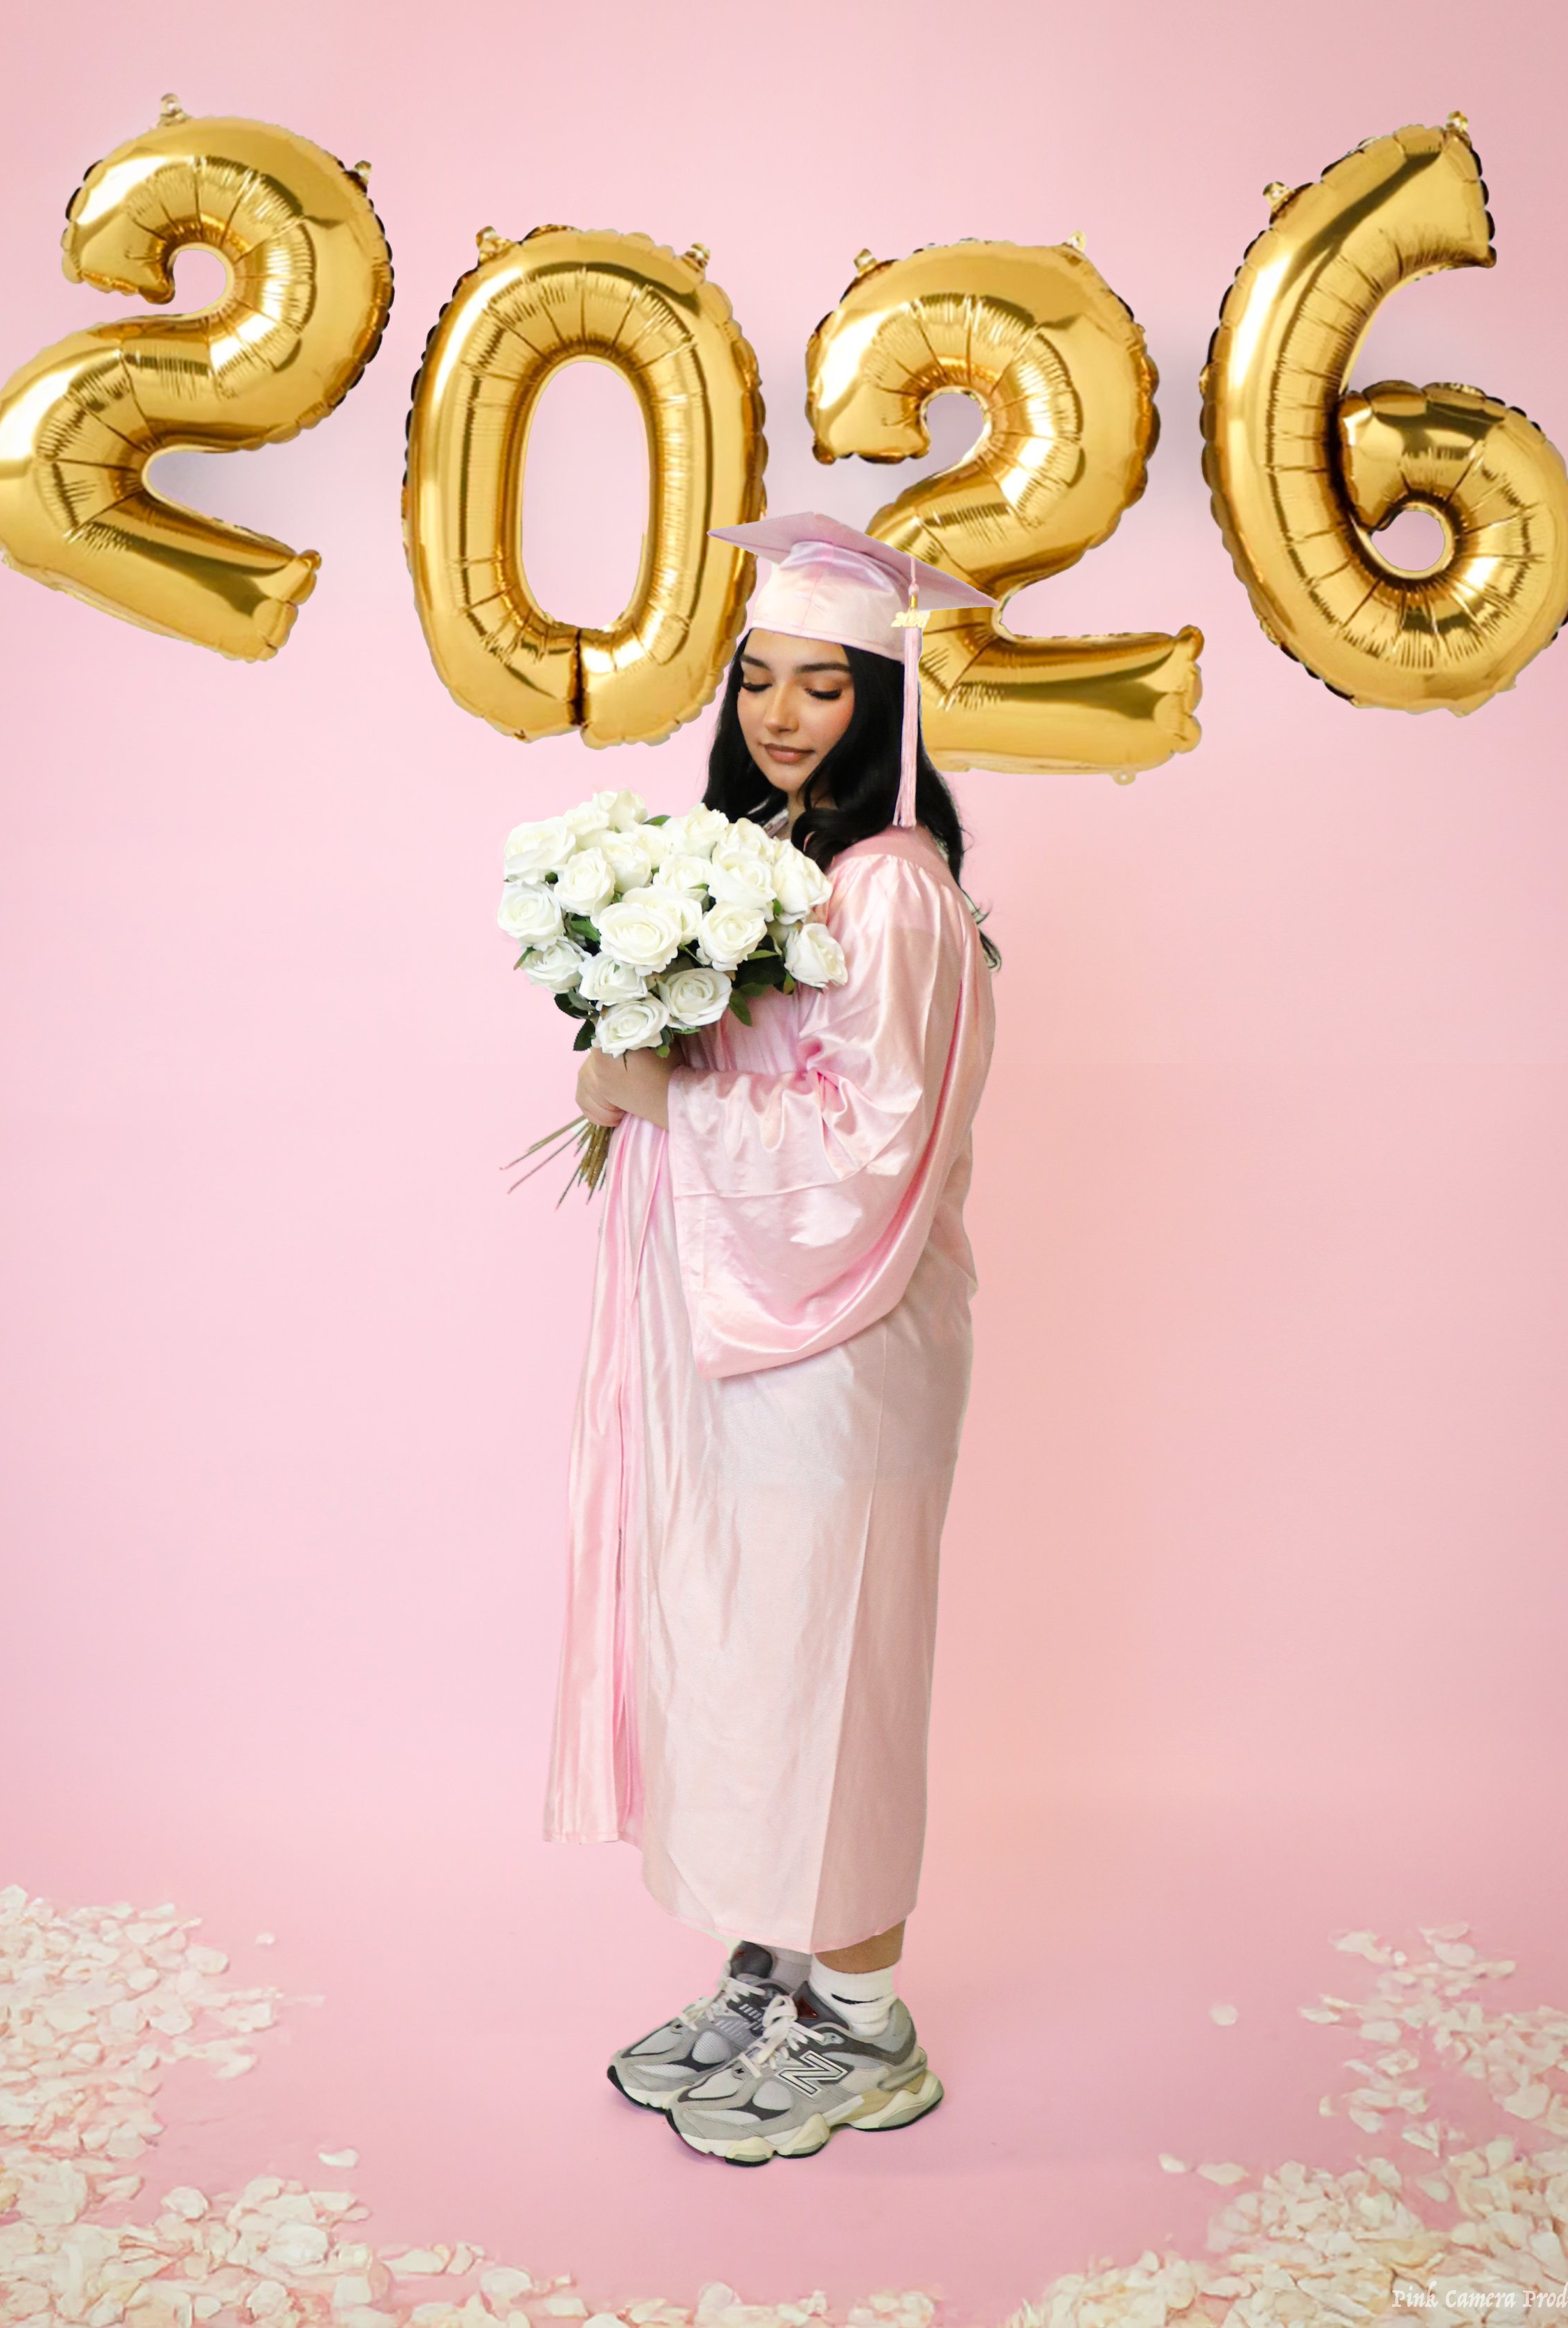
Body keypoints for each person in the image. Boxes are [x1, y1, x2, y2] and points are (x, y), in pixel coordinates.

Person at [542, 513, 999, 2166]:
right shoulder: (768, 856)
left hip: (841, 1341)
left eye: (823, 684)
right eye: (758, 679)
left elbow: (866, 1152)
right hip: (734, 1321)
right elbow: (754, 1079)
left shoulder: (893, 892)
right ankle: (769, 1976)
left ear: (879, 702)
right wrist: (641, 1030)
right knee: (747, 1655)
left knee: (830, 1666)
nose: (782, 712)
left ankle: (864, 2026)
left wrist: (659, 1089)